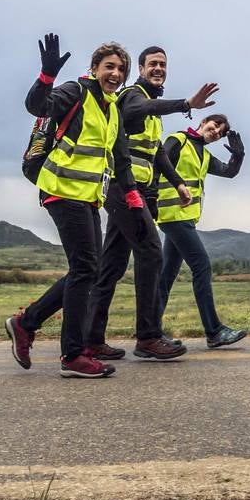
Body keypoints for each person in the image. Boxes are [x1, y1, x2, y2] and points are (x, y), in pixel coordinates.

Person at [5, 34, 148, 379]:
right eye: (108, 66)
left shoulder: (112, 109)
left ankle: (26, 323)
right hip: (60, 189)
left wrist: (131, 194)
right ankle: (72, 355)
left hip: (87, 197)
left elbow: (119, 156)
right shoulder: (76, 91)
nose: (115, 73)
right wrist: (46, 76)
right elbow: (37, 107)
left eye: (120, 69)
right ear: (95, 68)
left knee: (87, 270)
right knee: (86, 268)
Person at [86, 46, 218, 361]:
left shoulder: (151, 112)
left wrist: (178, 184)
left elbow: (156, 151)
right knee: (150, 252)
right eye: (153, 64)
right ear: (142, 69)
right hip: (122, 187)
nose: (159, 68)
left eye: (163, 64)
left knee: (113, 267)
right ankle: (147, 336)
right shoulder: (133, 95)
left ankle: (90, 339)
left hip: (135, 190)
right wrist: (185, 104)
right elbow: (132, 112)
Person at [156, 114, 248, 349]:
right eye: (215, 125)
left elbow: (229, 172)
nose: (216, 131)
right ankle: (214, 331)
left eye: (221, 131)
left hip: (184, 218)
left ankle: (150, 331)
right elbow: (159, 165)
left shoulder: (204, 154)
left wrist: (238, 155)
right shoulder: (178, 140)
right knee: (202, 266)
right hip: (173, 215)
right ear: (204, 121)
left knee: (166, 276)